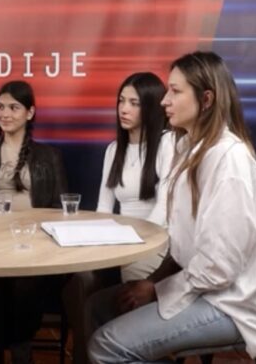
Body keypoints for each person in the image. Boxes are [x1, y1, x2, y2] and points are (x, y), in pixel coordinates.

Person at [86, 51, 256, 362]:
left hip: (229, 303)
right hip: (202, 287)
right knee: (96, 307)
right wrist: (153, 281)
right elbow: (184, 247)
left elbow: (219, 268)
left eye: (175, 91)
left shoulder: (228, 159)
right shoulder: (186, 149)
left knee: (105, 345)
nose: (164, 100)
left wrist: (157, 290)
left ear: (206, 100)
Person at [62, 72, 174, 364]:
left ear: (151, 107)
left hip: (155, 243)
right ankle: (86, 356)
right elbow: (103, 208)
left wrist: (132, 243)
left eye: (134, 103)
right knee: (80, 278)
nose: (124, 109)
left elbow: (164, 209)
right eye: (121, 101)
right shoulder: (114, 149)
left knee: (131, 289)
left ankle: (135, 350)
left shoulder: (167, 143)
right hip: (121, 242)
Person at [0, 80, 68, 364]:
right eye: (0, 107)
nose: (5, 114)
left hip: (33, 243)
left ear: (30, 113)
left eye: (14, 107)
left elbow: (60, 209)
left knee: (25, 285)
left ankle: (20, 349)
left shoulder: (49, 156)